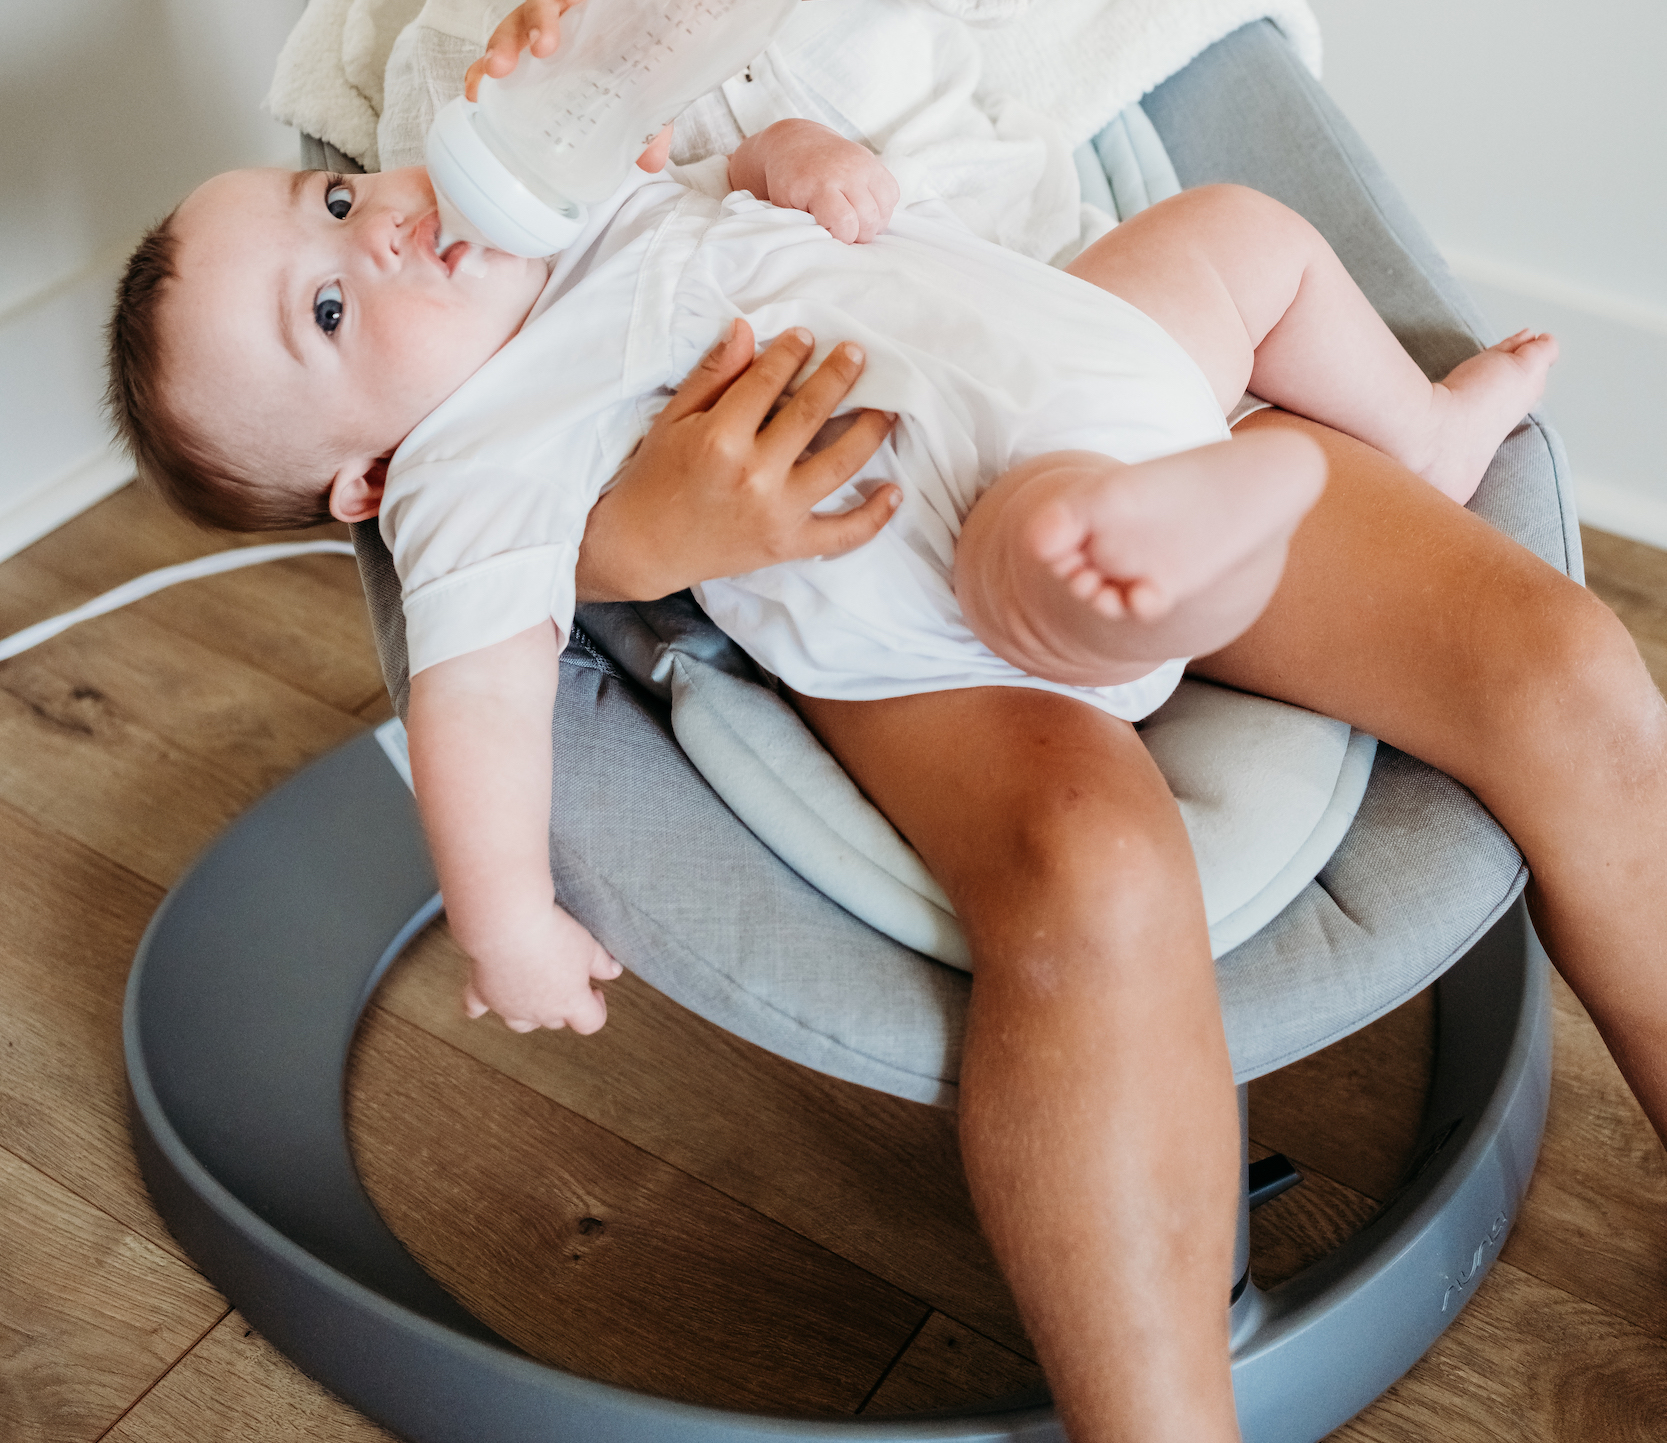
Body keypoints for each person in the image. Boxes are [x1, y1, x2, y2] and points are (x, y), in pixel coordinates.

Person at [107, 134, 1572, 1443]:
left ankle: (1415, 437)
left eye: (337, 196)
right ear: (365, 482)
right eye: (327, 310)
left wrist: (791, 161)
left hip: (1065, 354)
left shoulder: (563, 194)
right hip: (948, 549)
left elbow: (714, 151)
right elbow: (473, 699)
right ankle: (1175, 548)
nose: (372, 236)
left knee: (1244, 231)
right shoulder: (468, 470)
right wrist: (505, 919)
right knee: (1056, 546)